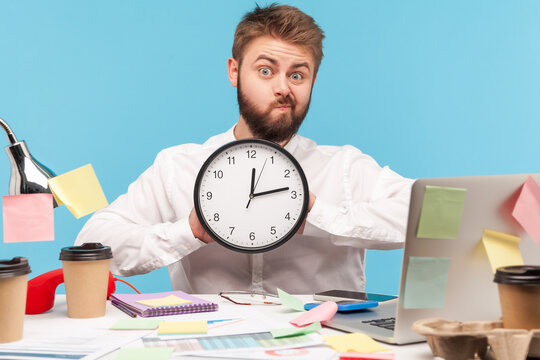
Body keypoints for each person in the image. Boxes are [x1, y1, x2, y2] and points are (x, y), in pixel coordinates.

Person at [75, 4, 413, 295]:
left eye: (298, 75)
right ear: (234, 72)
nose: (283, 87)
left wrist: (316, 214)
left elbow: (435, 217)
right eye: (266, 71)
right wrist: (190, 231)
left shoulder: (343, 167)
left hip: (322, 344)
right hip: (210, 346)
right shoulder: (178, 167)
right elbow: (92, 245)